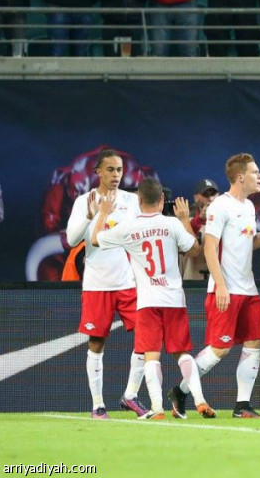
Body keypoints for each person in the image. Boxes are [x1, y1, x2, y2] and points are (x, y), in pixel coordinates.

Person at [167, 153, 260, 420]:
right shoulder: (219, 206)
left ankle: (242, 405)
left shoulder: (249, 206)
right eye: (255, 172)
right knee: (220, 349)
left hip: (248, 289)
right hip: (225, 290)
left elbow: (251, 243)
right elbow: (209, 248)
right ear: (240, 177)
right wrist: (221, 285)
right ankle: (180, 391)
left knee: (254, 343)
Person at [91, 178, 215, 420]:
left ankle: (157, 407)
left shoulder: (128, 227)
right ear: (162, 200)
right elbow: (194, 250)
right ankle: (200, 400)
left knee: (151, 354)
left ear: (139, 200)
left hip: (147, 301)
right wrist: (184, 220)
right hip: (174, 299)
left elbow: (96, 239)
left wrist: (103, 213)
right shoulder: (172, 224)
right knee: (183, 353)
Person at [64, 148, 145, 419]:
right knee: (96, 343)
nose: (116, 174)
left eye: (119, 170)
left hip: (128, 282)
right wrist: (91, 215)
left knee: (146, 337)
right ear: (98, 172)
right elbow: (72, 240)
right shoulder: (84, 201)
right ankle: (98, 405)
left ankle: (130, 395)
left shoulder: (131, 201)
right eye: (110, 169)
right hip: (97, 284)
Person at [182, 178, 219, 280]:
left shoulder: (226, 221)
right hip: (193, 280)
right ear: (196, 198)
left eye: (213, 194)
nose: (210, 198)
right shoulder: (186, 220)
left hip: (219, 282)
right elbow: (185, 242)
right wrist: (200, 219)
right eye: (205, 195)